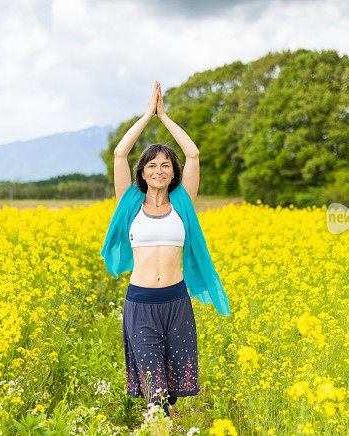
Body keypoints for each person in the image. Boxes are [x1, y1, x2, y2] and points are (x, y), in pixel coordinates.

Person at [100, 81, 231, 420]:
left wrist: (165, 116)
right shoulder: (128, 202)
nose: (159, 171)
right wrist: (147, 116)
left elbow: (193, 154)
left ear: (173, 173)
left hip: (176, 302)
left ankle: (166, 423)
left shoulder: (183, 202)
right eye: (151, 166)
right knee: (153, 392)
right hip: (140, 304)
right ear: (141, 173)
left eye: (165, 166)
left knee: (170, 392)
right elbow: (119, 154)